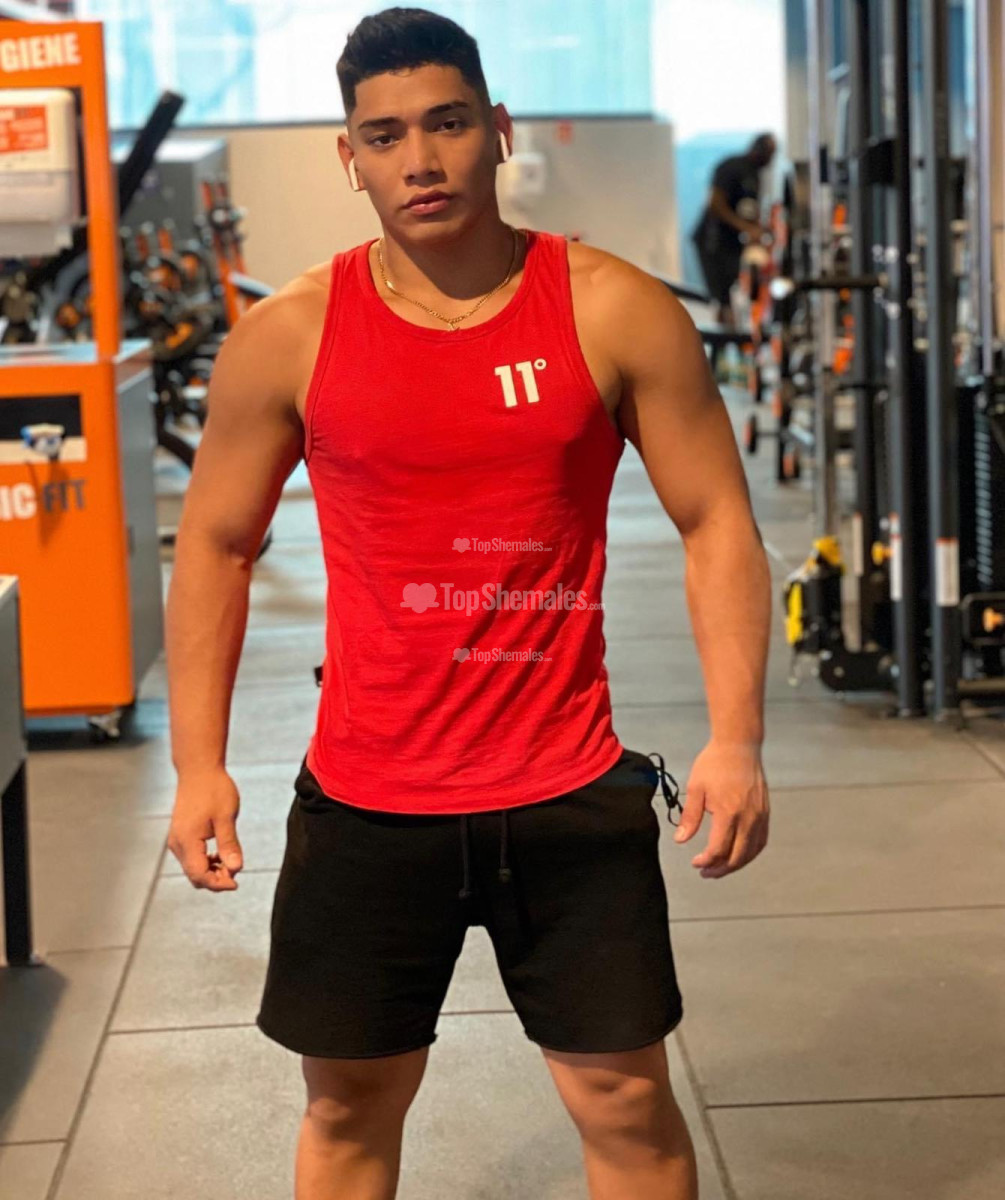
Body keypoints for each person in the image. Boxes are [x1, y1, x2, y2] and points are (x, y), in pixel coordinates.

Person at [165, 7, 772, 1199]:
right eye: (384, 136)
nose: (421, 159)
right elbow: (217, 546)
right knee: (348, 1110)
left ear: (497, 128)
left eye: (446, 123)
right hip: (368, 797)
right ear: (350, 157)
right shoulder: (290, 335)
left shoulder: (611, 308)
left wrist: (737, 736)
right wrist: (198, 765)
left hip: (566, 785)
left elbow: (717, 521)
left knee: (626, 1103)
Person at [692, 133, 778, 327]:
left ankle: (733, 332)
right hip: (713, 242)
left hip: (732, 243)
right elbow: (715, 204)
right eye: (768, 154)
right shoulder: (731, 167)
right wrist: (745, 228)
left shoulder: (754, 174)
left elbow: (749, 208)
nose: (769, 160)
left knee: (736, 289)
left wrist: (758, 229)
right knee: (722, 299)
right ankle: (726, 336)